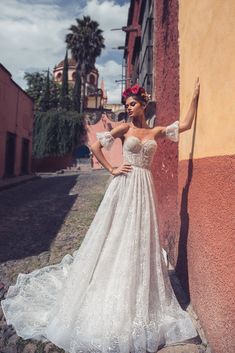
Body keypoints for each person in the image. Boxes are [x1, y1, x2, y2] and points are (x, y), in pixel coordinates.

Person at [1, 79, 200, 353]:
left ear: (143, 104)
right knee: (116, 232)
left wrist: (195, 97)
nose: (129, 108)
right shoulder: (124, 128)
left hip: (144, 187)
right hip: (125, 184)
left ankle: (137, 287)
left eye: (133, 104)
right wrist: (112, 169)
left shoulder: (155, 132)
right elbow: (96, 146)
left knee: (138, 236)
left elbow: (186, 125)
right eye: (127, 104)